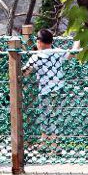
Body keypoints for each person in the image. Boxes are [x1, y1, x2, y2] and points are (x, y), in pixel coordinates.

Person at [22, 28, 69, 156]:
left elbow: (25, 72)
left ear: (40, 42)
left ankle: (55, 147)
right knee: (49, 116)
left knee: (48, 117)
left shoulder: (37, 56)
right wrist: (78, 41)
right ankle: (44, 143)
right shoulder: (58, 51)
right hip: (59, 89)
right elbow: (71, 54)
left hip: (46, 91)